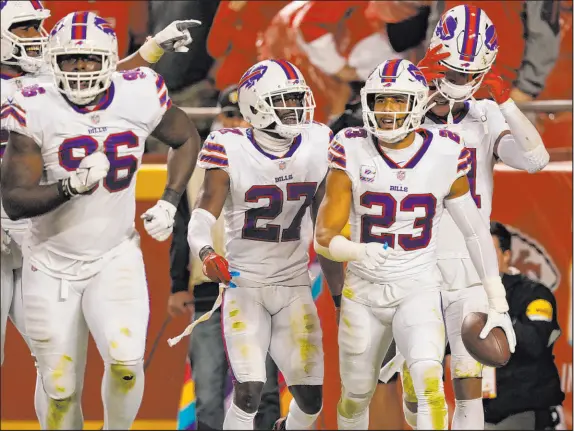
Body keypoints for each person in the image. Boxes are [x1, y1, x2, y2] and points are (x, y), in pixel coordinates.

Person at [0, 11, 201, 430]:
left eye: (39, 28)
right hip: (43, 251)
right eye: (25, 27)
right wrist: (69, 188)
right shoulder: (33, 101)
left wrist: (169, 200)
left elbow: (180, 134)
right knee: (58, 386)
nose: (78, 71)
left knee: (126, 361)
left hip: (111, 253)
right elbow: (15, 198)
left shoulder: (137, 90)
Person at [313, 58, 516, 430]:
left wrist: (497, 301)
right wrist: (357, 251)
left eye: (397, 101)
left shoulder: (445, 150)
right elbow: (324, 236)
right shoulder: (351, 146)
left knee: (429, 382)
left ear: (418, 102)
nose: (387, 111)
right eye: (380, 101)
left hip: (418, 287)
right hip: (364, 290)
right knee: (355, 396)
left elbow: (474, 230)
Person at [389, 5, 550, 430]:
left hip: (469, 264)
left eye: (469, 74)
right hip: (414, 260)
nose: (460, 82)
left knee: (468, 384)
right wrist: (418, 95)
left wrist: (507, 102)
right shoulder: (406, 102)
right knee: (423, 388)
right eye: (453, 71)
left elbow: (535, 159)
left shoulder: (485, 114)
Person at [182, 59, 345, 430]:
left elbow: (325, 233)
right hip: (245, 285)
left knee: (311, 399)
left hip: (293, 285)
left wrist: (339, 295)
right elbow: (202, 216)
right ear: (256, 105)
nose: (296, 108)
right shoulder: (229, 145)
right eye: (284, 100)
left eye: (296, 99)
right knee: (250, 389)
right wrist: (207, 254)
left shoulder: (318, 142)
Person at [168, 84, 282, 430]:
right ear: (220, 117)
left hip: (259, 290)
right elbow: (182, 225)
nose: (236, 124)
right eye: (230, 115)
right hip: (208, 290)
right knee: (208, 387)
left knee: (264, 389)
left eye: (243, 117)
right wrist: (177, 284)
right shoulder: (199, 164)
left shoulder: (277, 163)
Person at [484, 221, 565, 430]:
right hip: (479, 408)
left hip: (521, 409)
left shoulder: (534, 294)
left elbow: (534, 342)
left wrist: (498, 315)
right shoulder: (467, 296)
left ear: (506, 255)